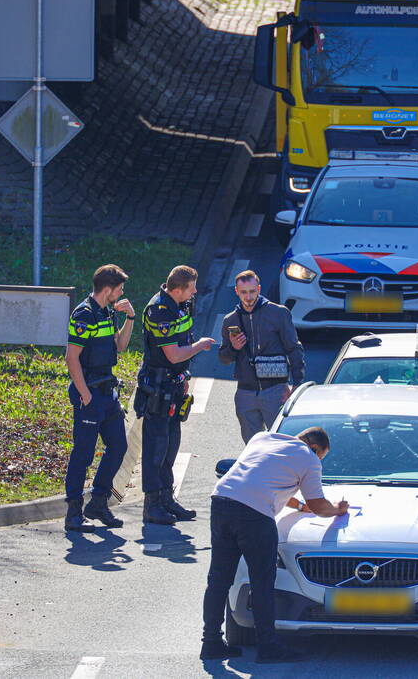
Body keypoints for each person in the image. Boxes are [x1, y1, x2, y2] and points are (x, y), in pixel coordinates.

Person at [200, 427, 348, 663]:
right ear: (315, 448)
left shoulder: (262, 438)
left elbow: (262, 479)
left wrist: (299, 506)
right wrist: (336, 510)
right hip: (255, 515)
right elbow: (319, 505)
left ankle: (211, 644)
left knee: (218, 579)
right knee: (262, 581)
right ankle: (268, 648)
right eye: (321, 456)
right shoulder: (309, 459)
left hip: (222, 501)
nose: (318, 460)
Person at [136, 265, 216, 525]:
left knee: (171, 444)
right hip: (158, 387)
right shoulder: (160, 311)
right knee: (156, 448)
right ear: (179, 289)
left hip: (173, 384)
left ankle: (167, 500)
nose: (195, 291)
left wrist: (184, 378)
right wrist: (200, 346)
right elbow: (174, 354)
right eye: (192, 287)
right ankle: (152, 505)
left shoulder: (180, 305)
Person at [63, 264, 135, 532]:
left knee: (118, 446)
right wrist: (85, 395)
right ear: (108, 289)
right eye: (120, 289)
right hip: (90, 393)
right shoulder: (84, 314)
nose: (122, 292)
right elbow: (72, 358)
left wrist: (130, 318)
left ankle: (99, 502)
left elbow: (120, 346)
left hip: (107, 392)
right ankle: (73, 513)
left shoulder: (107, 311)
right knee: (83, 454)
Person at [219, 270, 305, 444]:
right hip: (245, 392)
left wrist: (297, 383)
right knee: (252, 447)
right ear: (237, 292)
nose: (248, 297)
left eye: (252, 291)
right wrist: (234, 348)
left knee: (281, 444)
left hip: (275, 389)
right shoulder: (231, 320)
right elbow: (224, 358)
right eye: (243, 292)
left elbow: (294, 348)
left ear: (259, 289)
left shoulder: (278, 313)